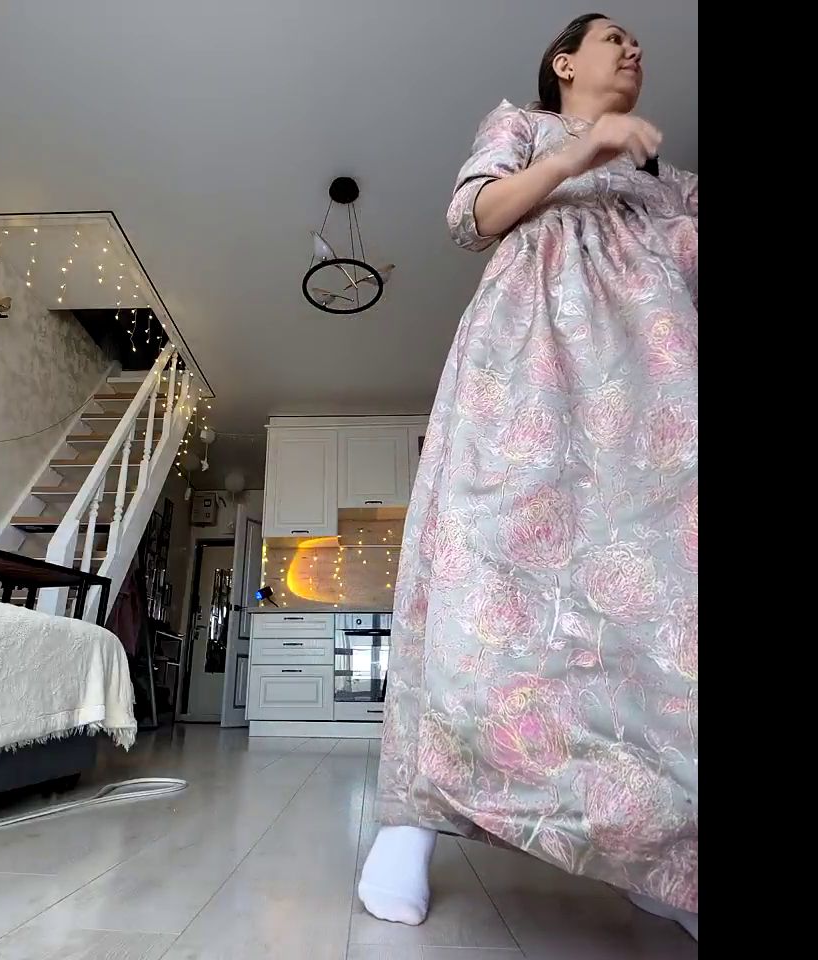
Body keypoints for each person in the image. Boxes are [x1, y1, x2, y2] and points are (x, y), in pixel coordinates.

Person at [357, 13, 698, 942]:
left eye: (639, 42)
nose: (634, 49)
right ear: (564, 61)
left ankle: (652, 847)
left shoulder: (670, 180)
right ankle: (409, 827)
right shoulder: (523, 124)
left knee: (657, 616)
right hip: (531, 368)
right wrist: (584, 151)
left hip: (652, 401)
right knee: (488, 579)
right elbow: (472, 218)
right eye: (613, 36)